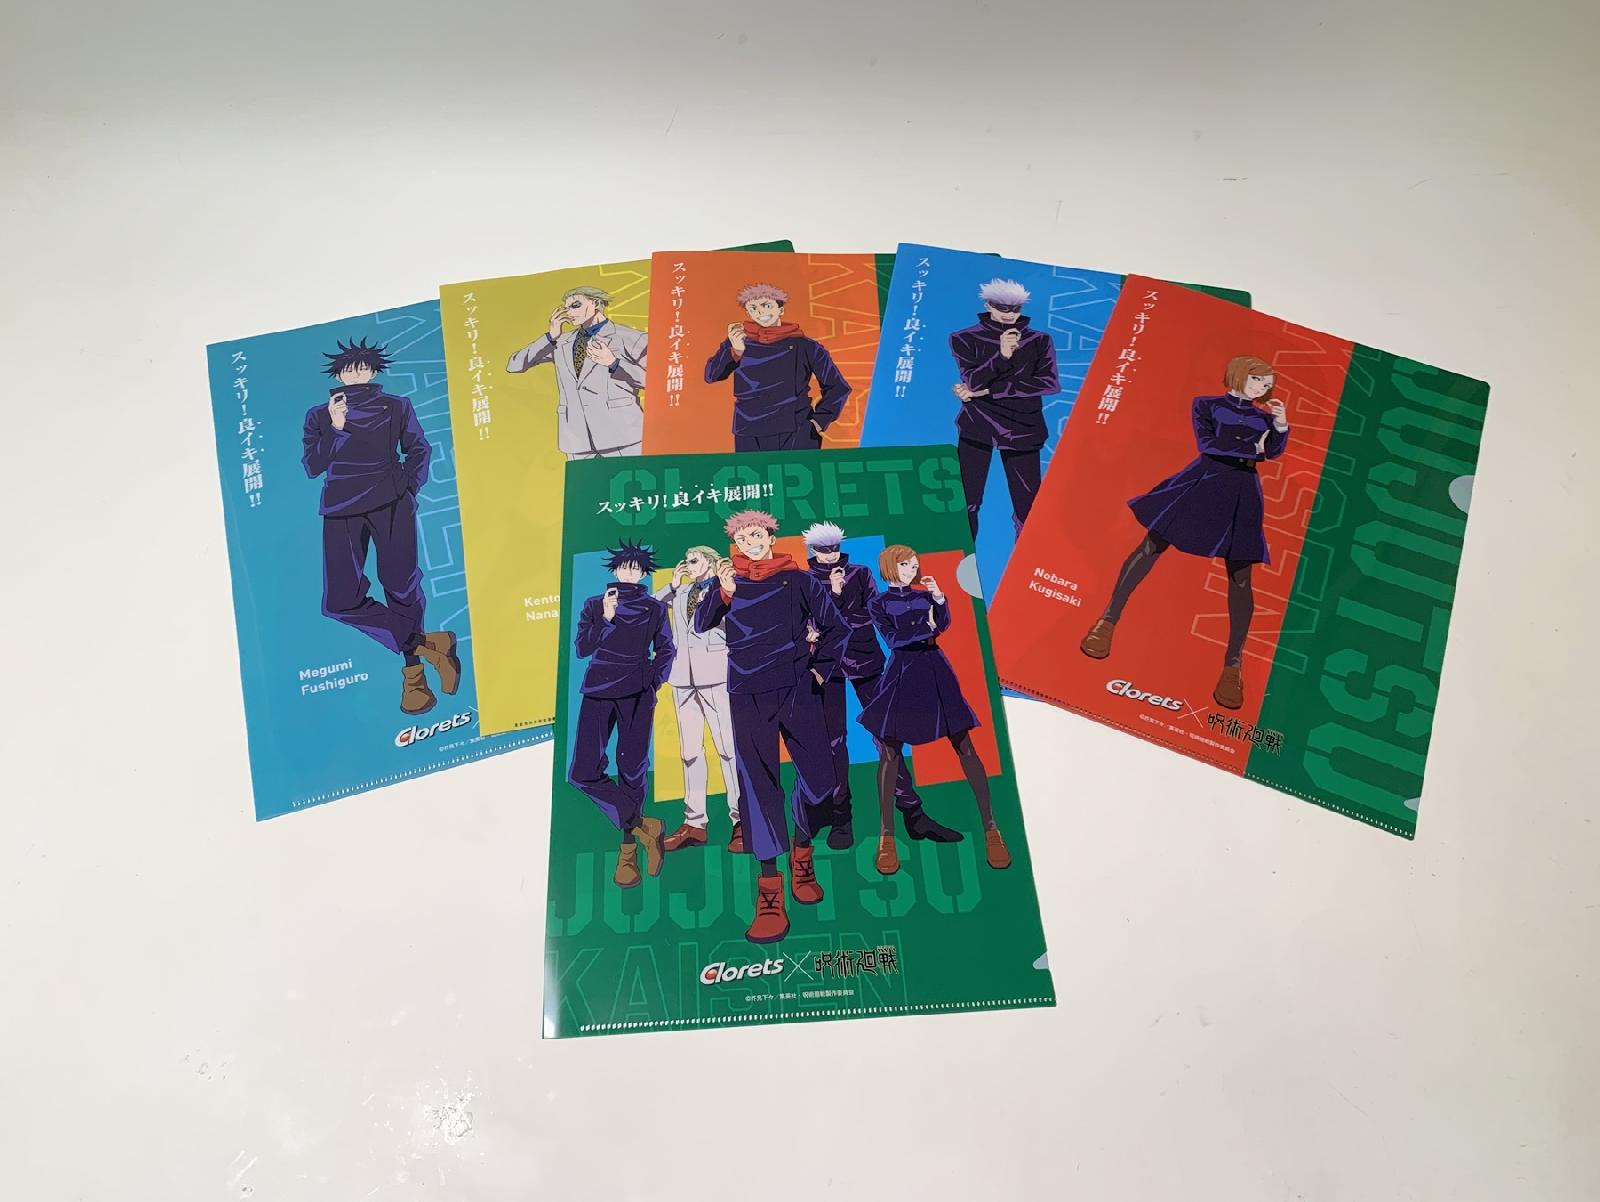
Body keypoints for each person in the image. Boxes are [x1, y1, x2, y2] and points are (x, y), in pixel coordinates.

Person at [1079, 355, 1290, 710]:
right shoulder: (1205, 404)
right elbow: (1208, 445)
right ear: (1238, 375)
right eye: (1257, 380)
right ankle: (1107, 621)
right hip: (1201, 481)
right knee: (1150, 546)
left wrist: (1280, 427)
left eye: (1267, 385)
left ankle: (1232, 666)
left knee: (1241, 577)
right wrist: (1252, 448)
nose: (1261, 388)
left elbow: (1271, 452)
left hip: (1242, 492)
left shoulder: (1265, 418)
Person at [693, 511, 847, 944]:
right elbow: (700, 623)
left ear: (771, 537)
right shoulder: (727, 582)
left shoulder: (798, 579)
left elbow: (836, 627)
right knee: (759, 787)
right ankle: (770, 893)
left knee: (820, 780)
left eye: (757, 534)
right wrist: (723, 593)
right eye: (743, 538)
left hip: (798, 686)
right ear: (736, 545)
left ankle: (802, 850)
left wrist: (819, 671)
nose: (751, 542)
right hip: (747, 691)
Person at [301, 337, 459, 715]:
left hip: (391, 501)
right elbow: (312, 467)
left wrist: (408, 488)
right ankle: (429, 644)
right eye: (349, 369)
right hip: (340, 508)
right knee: (339, 602)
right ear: (338, 374)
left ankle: (414, 681)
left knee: (401, 587)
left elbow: (418, 449)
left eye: (363, 367)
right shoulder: (319, 415)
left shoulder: (396, 405)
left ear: (373, 371)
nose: (356, 374)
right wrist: (336, 428)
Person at [800, 522, 962, 850]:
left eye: (834, 548)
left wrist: (831, 614)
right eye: (823, 550)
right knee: (833, 741)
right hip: (825, 667)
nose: (830, 555)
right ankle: (840, 816)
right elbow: (807, 623)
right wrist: (833, 597)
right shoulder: (805, 580)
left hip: (866, 660)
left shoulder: (859, 573)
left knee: (887, 736)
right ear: (813, 551)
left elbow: (874, 613)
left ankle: (913, 813)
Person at [858, 546, 1011, 875]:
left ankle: (991, 828)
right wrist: (929, 628)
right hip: (901, 673)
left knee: (965, 744)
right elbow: (894, 639)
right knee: (889, 751)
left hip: (935, 669)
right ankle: (887, 836)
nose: (911, 570)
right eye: (905, 565)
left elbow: (944, 624)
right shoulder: (879, 603)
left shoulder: (925, 595)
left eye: (914, 565)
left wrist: (940, 600)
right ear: (890, 567)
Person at [569, 542, 675, 889]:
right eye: (624, 567)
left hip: (637, 690)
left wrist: (653, 681)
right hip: (598, 688)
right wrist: (606, 617)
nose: (629, 573)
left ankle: (627, 852)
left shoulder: (654, 608)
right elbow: (582, 648)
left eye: (636, 568)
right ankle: (644, 826)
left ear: (643, 573)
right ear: (615, 570)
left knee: (632, 769)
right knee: (582, 772)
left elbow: (666, 649)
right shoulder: (594, 604)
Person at [948, 278, 1061, 538]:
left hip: (1023, 428)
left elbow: (1049, 383)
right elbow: (973, 381)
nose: (1009, 314)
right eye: (1002, 308)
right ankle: (963, 553)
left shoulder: (1039, 340)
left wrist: (991, 391)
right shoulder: (964, 338)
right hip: (978, 425)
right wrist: (1002, 355)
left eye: (1015, 309)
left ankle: (1028, 556)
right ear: (988, 305)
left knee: (1027, 506)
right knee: (967, 500)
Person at [654, 546, 743, 853]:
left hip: (716, 674)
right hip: (682, 678)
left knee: (728, 749)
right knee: (689, 752)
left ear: (710, 562)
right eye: (686, 560)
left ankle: (741, 820)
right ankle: (694, 823)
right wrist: (672, 585)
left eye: (694, 560)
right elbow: (651, 606)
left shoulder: (726, 587)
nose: (688, 565)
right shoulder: (680, 592)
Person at [703, 283, 850, 451]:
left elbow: (838, 387)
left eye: (766, 305)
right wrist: (735, 351)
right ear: (748, 313)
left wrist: (818, 422)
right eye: (753, 308)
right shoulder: (737, 340)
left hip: (796, 430)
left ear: (781, 310)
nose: (760, 312)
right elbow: (711, 375)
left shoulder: (805, 346)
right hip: (748, 432)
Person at [506, 285, 647, 459]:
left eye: (575, 305)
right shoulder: (560, 342)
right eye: (566, 308)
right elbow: (514, 365)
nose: (569, 312)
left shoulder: (631, 337)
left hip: (623, 435)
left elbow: (656, 382)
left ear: (595, 303)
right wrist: (550, 336)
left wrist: (614, 363)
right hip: (577, 440)